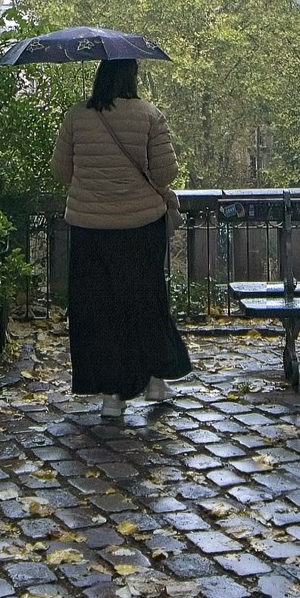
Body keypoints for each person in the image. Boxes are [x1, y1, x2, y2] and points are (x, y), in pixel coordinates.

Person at [51, 58, 191, 426]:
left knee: (98, 310)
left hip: (88, 229)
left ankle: (111, 396)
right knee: (144, 302)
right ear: (131, 76)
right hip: (140, 226)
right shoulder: (149, 115)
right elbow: (165, 172)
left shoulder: (76, 117)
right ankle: (155, 382)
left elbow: (61, 172)